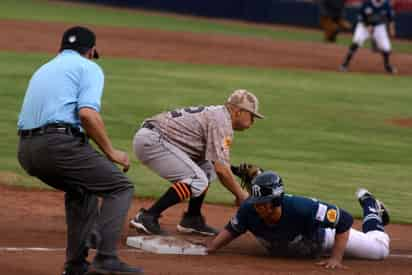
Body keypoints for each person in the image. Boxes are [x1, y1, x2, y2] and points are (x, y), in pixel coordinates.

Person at [17, 26, 143, 275]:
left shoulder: (44, 68)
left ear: (61, 48)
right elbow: (87, 114)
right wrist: (110, 152)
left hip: (27, 150)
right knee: (120, 187)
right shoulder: (89, 68)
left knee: (82, 190)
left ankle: (75, 266)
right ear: (91, 51)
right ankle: (106, 257)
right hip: (58, 146)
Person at [129, 89, 263, 236]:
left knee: (207, 170)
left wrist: (236, 171)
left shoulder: (219, 116)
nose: (253, 121)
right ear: (238, 111)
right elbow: (221, 170)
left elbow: (215, 163)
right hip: (153, 141)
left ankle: (192, 219)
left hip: (157, 139)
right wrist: (241, 195)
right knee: (197, 180)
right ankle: (147, 216)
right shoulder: (221, 122)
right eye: (251, 115)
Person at [207, 171, 390, 269]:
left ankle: (370, 205)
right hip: (301, 246)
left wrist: (336, 258)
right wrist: (212, 248)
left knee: (379, 251)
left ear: (277, 200)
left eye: (263, 203)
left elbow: (344, 221)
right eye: (256, 202)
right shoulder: (249, 209)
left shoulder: (302, 208)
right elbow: (232, 229)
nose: (258, 207)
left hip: (324, 239)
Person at [340, 0, 397, 74]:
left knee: (386, 47)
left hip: (378, 27)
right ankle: (345, 64)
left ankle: (387, 66)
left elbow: (391, 18)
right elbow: (360, 16)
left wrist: (392, 28)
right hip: (364, 26)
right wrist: (367, 26)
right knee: (357, 41)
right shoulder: (367, 2)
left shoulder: (386, 4)